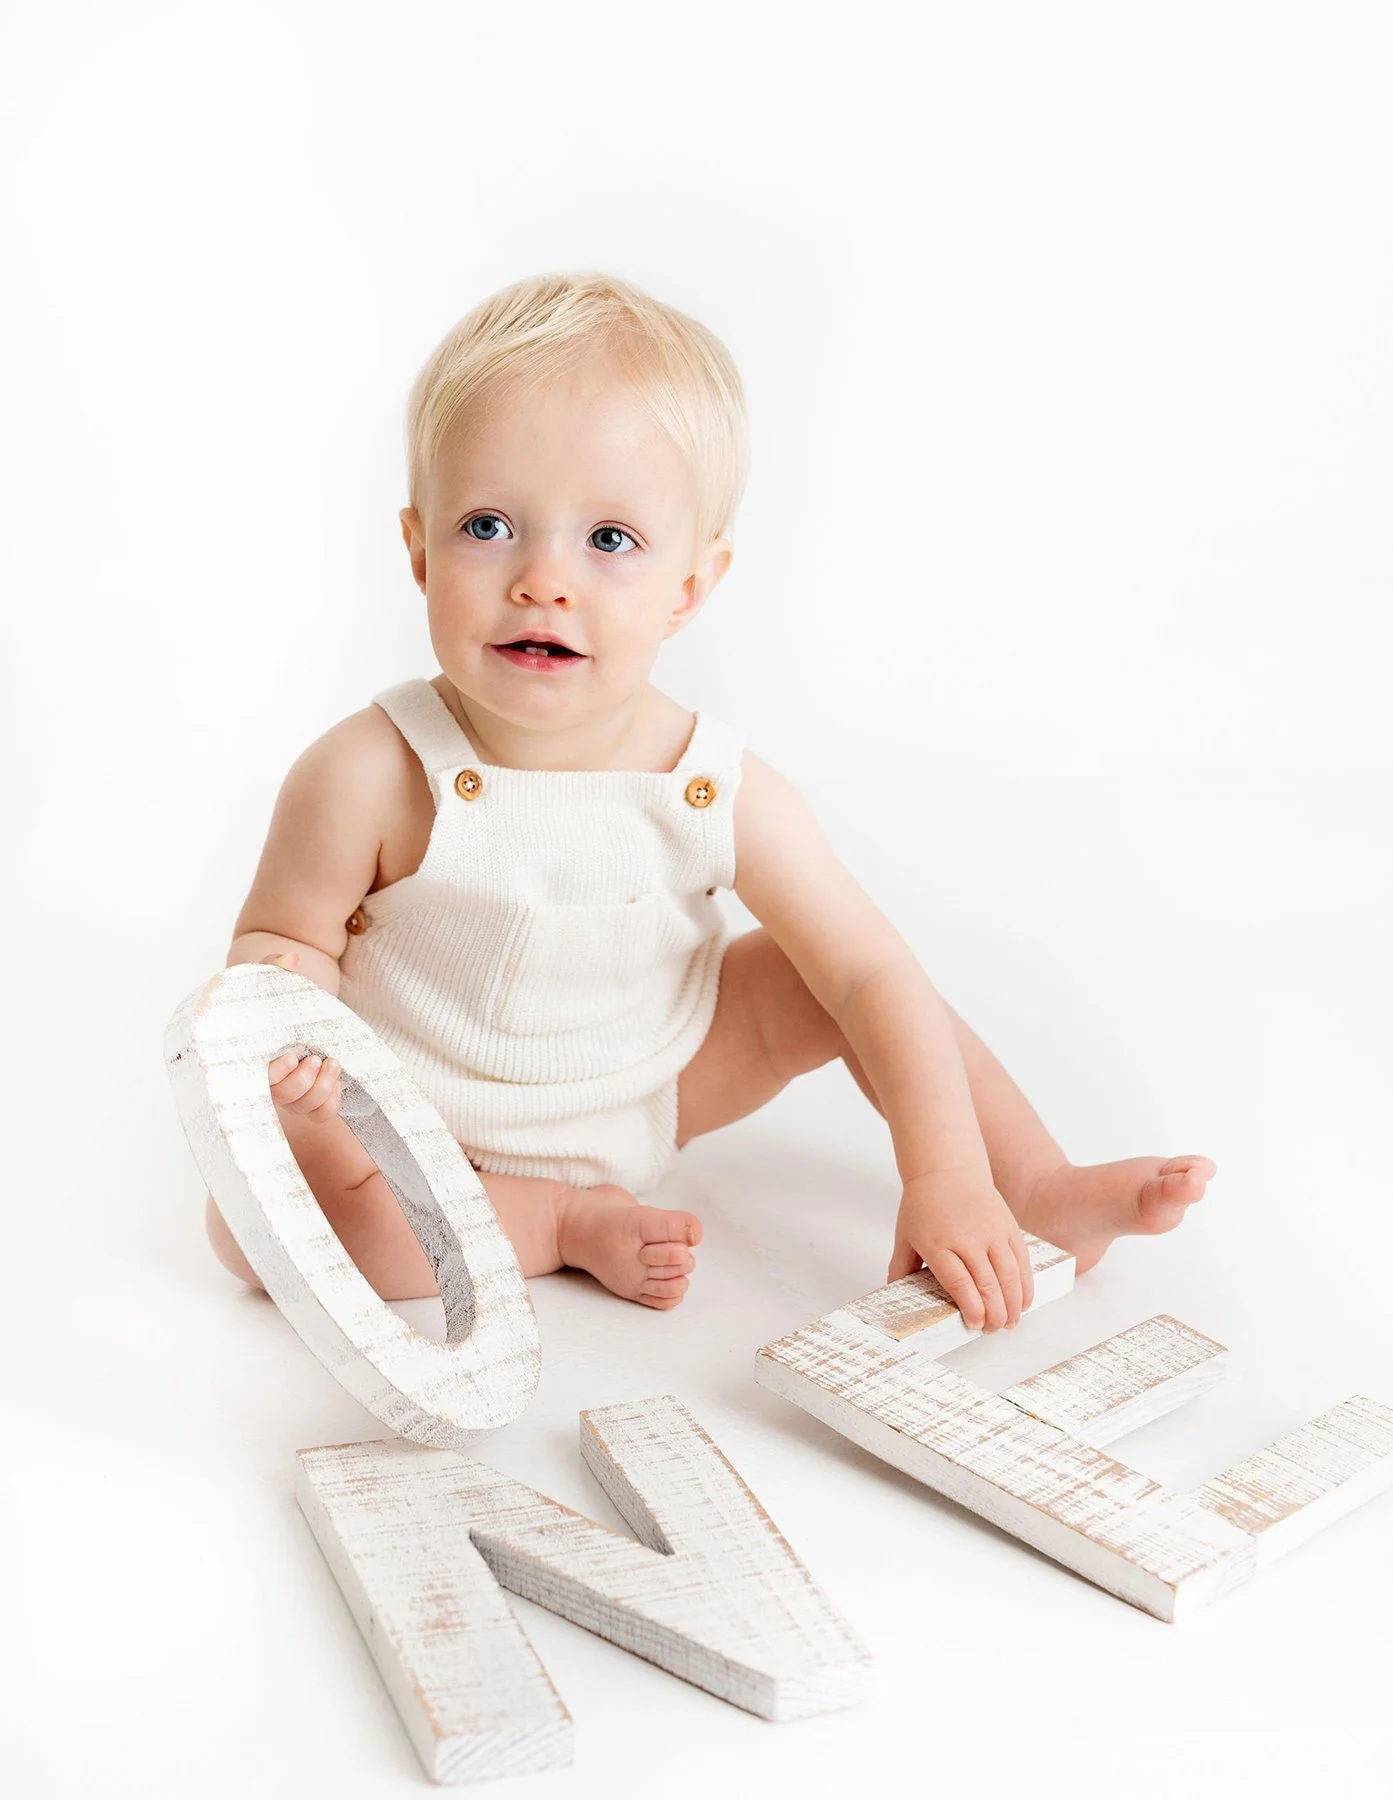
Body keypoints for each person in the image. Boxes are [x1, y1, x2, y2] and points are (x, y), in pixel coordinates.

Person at [204, 269, 1214, 1330]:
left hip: (647, 1088)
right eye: (490, 526)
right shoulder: (368, 770)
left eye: (609, 541)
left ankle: (1029, 1181)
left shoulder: (713, 789)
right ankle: (552, 1223)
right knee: (255, 1230)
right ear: (418, 552)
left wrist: (941, 1171)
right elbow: (281, 939)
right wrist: (295, 1043)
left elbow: (872, 973)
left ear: (691, 585)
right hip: (410, 1122)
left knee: (832, 978)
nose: (545, 581)